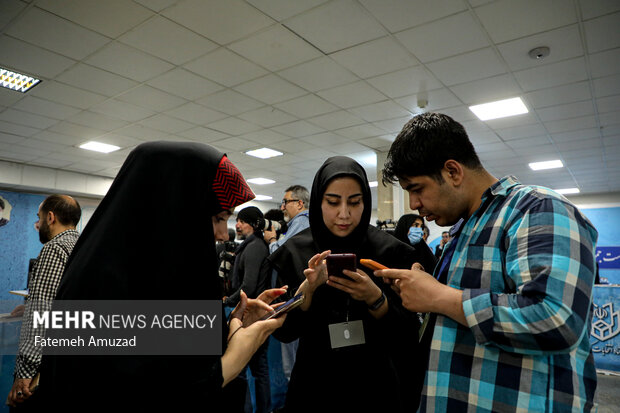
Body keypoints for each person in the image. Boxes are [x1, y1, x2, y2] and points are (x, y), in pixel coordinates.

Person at [36, 141, 287, 412]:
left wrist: (231, 325)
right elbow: (131, 395)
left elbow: (169, 361)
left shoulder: (162, 276)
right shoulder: (98, 285)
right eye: (217, 218)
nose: (224, 235)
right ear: (173, 210)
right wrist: (235, 359)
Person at [378, 113, 598, 412]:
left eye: (417, 189)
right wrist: (422, 289)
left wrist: (440, 297)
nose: (414, 204)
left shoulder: (537, 208)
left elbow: (557, 318)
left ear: (453, 171)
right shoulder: (463, 228)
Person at [268, 156, 437, 412]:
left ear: (365, 203)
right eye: (333, 202)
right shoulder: (295, 252)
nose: (344, 214)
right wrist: (307, 291)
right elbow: (283, 332)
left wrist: (376, 299)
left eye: (355, 202)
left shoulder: (390, 251)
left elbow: (408, 334)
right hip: (314, 384)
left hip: (375, 384)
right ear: (318, 202)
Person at [7, 194, 81, 409]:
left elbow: (41, 317)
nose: (36, 224)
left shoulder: (54, 248)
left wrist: (25, 373)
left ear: (50, 217)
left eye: (38, 218)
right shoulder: (81, 245)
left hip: (41, 370)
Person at [225, 206, 272, 413]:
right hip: (251, 313)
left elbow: (249, 285)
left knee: (250, 370)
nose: (237, 225)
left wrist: (228, 300)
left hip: (251, 315)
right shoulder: (251, 245)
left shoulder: (254, 248)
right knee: (256, 369)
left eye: (241, 221)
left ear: (252, 224)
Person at [264, 185, 310, 254]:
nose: (282, 208)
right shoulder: (307, 220)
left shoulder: (300, 222)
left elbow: (280, 254)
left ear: (299, 204)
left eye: (285, 202)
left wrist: (272, 239)